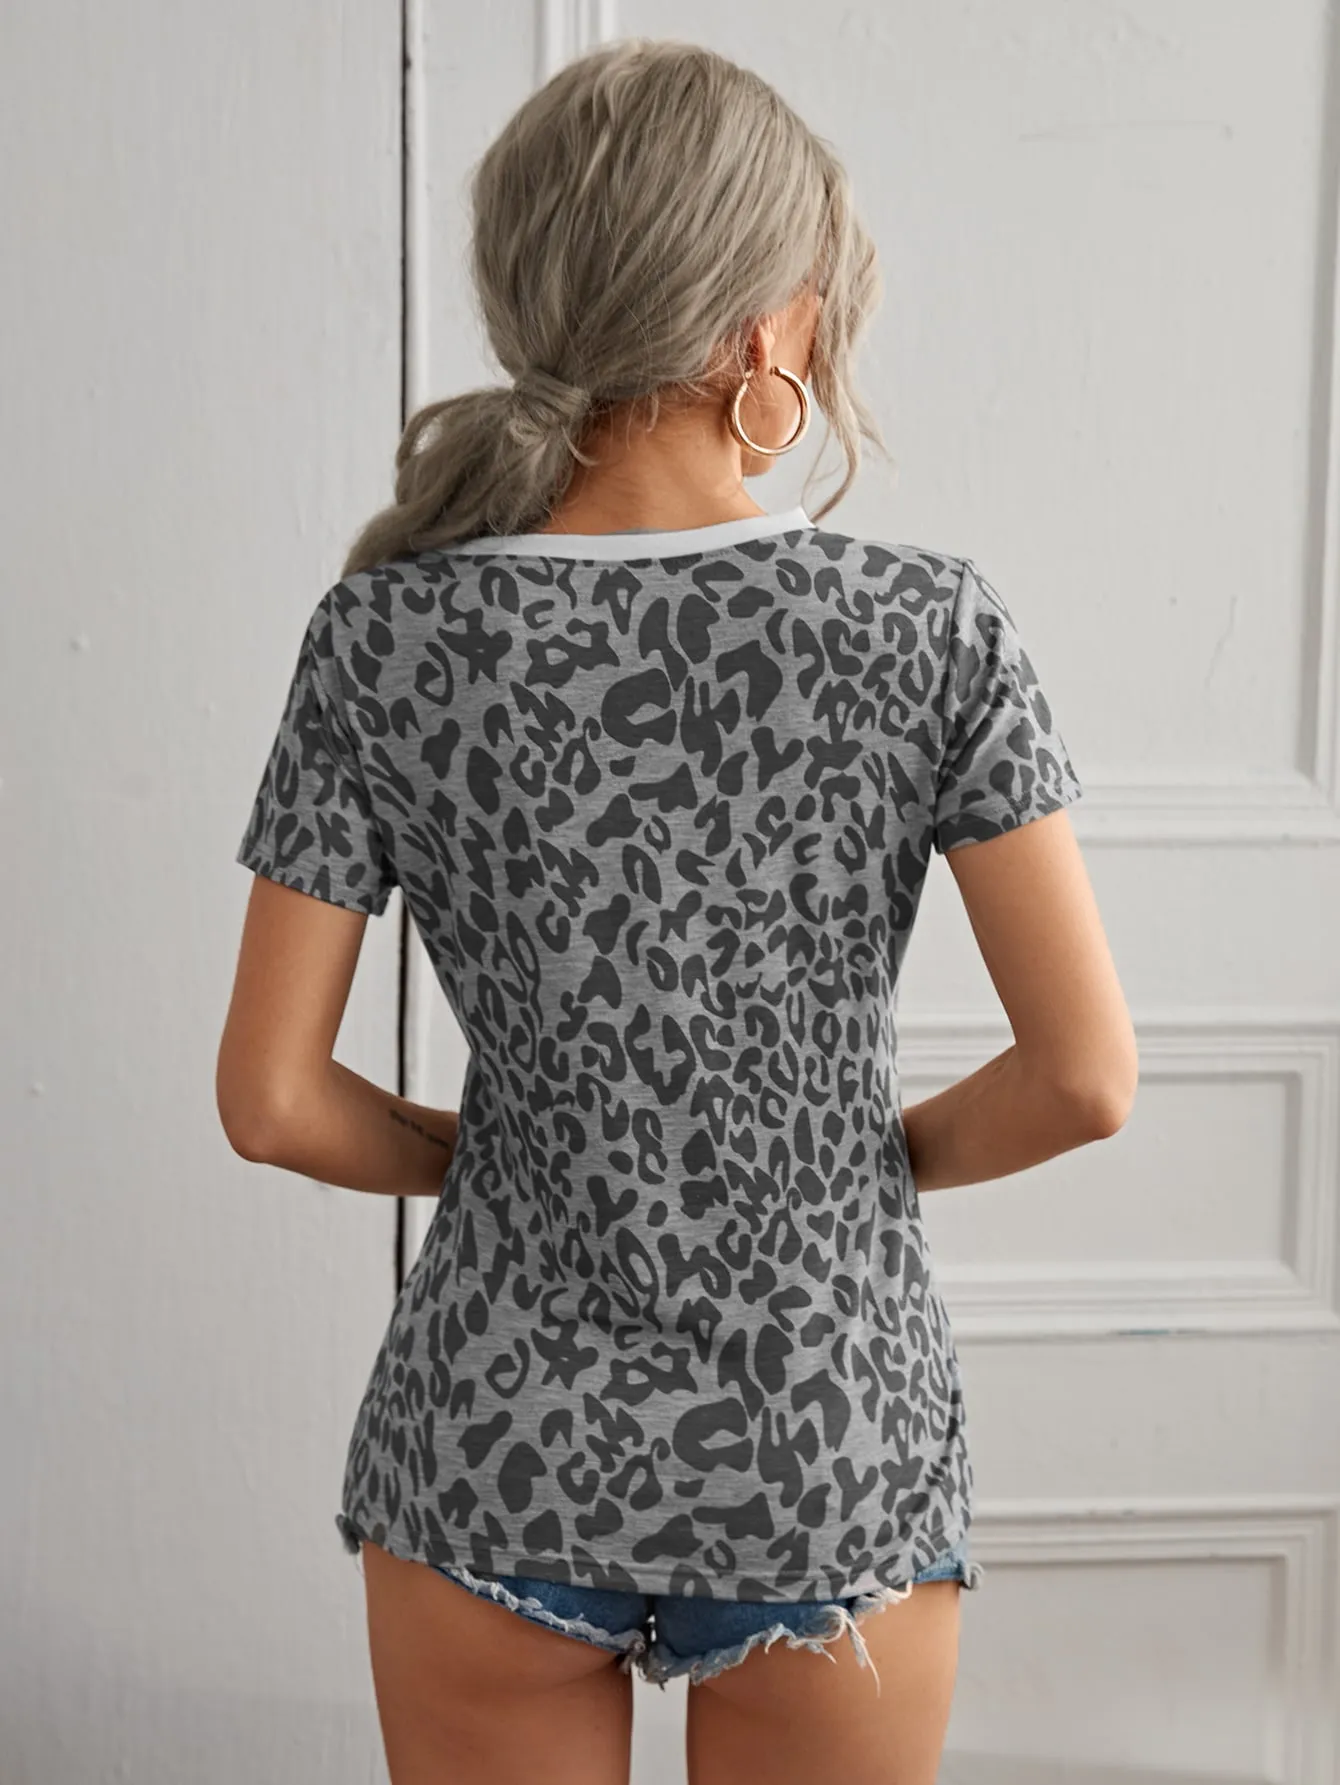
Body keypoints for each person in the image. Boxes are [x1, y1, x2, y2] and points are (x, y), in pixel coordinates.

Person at [217, 36, 1137, 1785]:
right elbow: (1085, 1080)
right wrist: (854, 1166)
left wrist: (506, 1155)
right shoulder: (926, 627)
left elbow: (271, 1102)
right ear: (766, 332)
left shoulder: (382, 638)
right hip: (824, 1439)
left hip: (489, 1443)